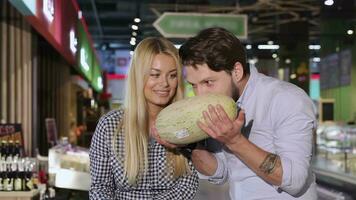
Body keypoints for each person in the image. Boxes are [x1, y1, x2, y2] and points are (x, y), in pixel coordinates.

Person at [155, 27, 317, 199]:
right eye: (194, 85)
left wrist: (235, 141)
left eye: (209, 82)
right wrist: (189, 146)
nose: (200, 94)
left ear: (236, 72)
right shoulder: (218, 105)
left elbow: (295, 180)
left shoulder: (286, 99)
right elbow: (220, 172)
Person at [89, 37, 199, 199]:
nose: (165, 84)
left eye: (172, 75)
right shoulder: (109, 125)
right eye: (155, 75)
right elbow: (100, 187)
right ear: (138, 76)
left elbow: (188, 184)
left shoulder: (187, 125)